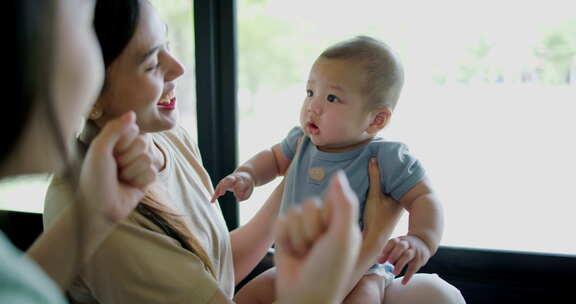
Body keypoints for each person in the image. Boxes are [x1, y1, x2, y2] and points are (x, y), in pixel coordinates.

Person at [43, 0, 389, 303]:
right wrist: (372, 243)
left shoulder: (165, 137)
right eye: (151, 63)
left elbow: (213, 271)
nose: (178, 67)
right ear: (88, 92)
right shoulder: (103, 217)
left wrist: (303, 170)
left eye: (166, 43)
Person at [213, 36, 466, 303]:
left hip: (362, 272)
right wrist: (248, 174)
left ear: (376, 119)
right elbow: (273, 159)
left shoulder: (386, 157)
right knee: (247, 296)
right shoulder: (301, 142)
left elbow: (424, 197)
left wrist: (421, 239)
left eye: (332, 98)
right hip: (295, 267)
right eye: (310, 92)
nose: (313, 106)